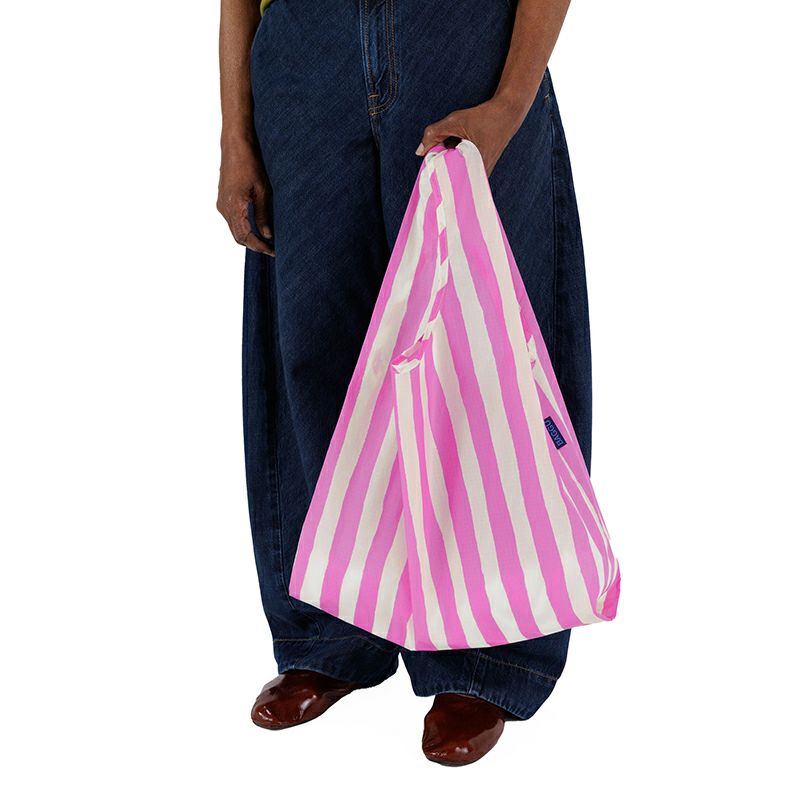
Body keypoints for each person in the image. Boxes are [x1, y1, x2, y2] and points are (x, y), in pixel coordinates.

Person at [217, 0, 591, 766]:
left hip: (463, 42)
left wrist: (511, 101)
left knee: (481, 351)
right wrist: (235, 134)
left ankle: (486, 651)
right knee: (314, 346)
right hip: (304, 55)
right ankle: (332, 628)